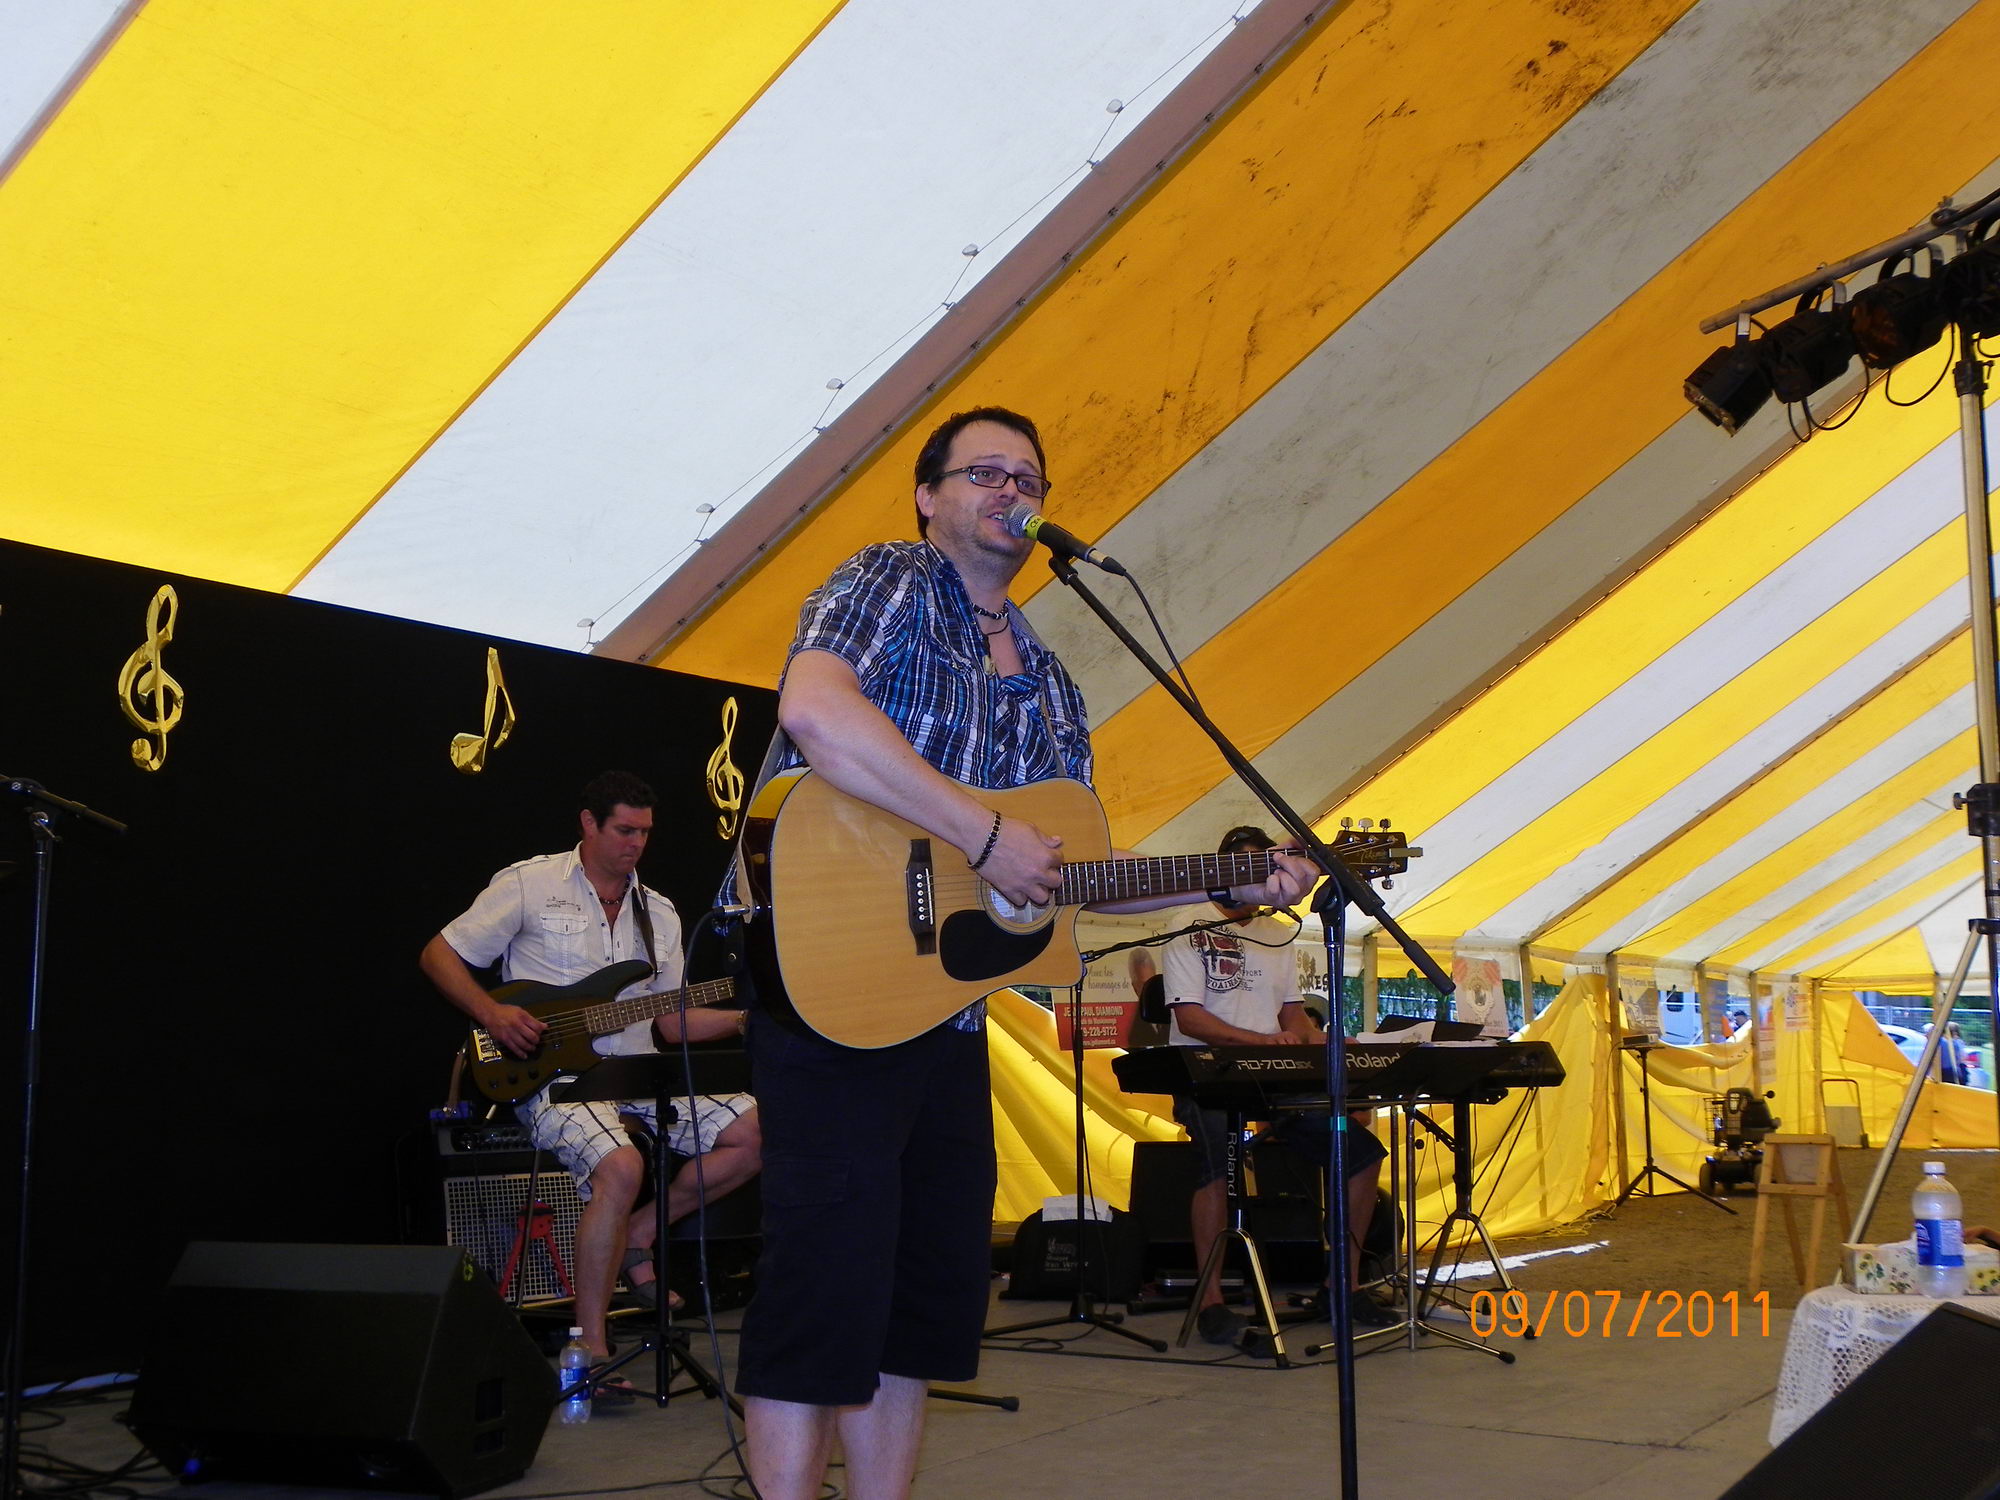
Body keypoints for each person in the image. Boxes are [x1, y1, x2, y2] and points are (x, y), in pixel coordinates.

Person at [735, 408, 1317, 1500]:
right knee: (822, 1291)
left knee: (922, 1302)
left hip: (947, 1018)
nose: (1012, 490)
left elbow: (1072, 875)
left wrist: (1232, 884)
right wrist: (981, 831)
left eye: (1029, 478)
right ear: (928, 496)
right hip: (830, 991)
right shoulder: (888, 582)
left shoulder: (1051, 678)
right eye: (985, 472)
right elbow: (813, 710)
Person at [419, 771, 760, 1383]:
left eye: (645, 833)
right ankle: (591, 1353)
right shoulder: (530, 883)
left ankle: (640, 1233)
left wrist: (744, 1018)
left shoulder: (658, 912)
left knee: (761, 1131)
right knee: (622, 1167)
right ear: (588, 823)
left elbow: (672, 1022)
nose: (636, 844)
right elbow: (438, 954)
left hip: (638, 1073)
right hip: (555, 1080)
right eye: (624, 830)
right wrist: (493, 1013)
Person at [1162, 824, 1389, 1345]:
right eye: (1243, 867)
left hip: (1274, 1075)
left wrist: (1330, 1042)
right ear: (1222, 871)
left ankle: (1343, 1285)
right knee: (1218, 1165)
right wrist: (1261, 1042)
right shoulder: (1185, 924)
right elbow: (1190, 1020)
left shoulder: (1278, 933)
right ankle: (1211, 1302)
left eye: (1263, 866)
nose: (1256, 878)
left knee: (1359, 1153)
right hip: (1209, 1073)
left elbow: (1292, 1018)